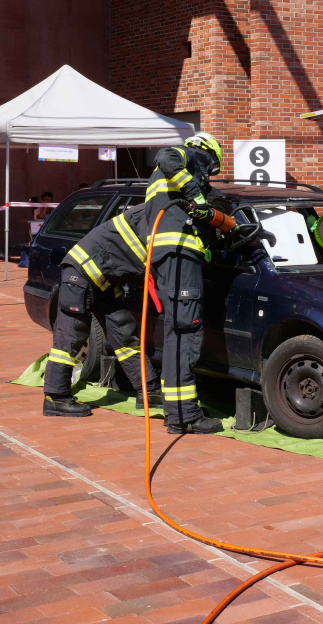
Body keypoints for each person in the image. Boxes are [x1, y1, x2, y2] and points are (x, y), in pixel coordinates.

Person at [43, 203, 162, 417]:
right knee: (71, 337)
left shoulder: (156, 215)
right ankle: (55, 397)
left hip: (105, 282)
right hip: (80, 274)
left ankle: (149, 391)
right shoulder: (153, 216)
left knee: (125, 334)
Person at [143, 132, 225, 434]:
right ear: (208, 153)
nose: (210, 173)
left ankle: (177, 413)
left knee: (176, 332)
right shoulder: (189, 155)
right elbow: (166, 155)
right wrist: (196, 193)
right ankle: (185, 416)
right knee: (187, 332)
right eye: (212, 167)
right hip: (178, 253)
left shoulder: (165, 183)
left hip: (169, 255)